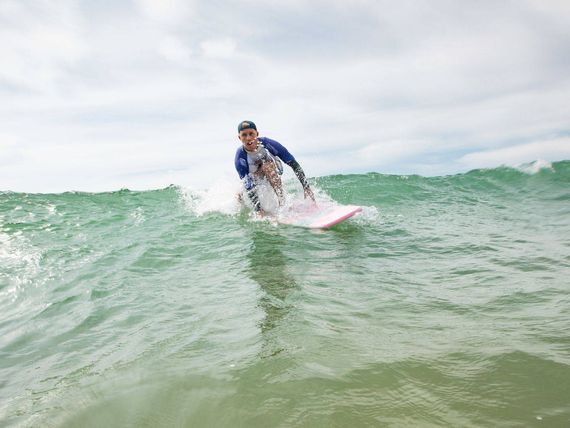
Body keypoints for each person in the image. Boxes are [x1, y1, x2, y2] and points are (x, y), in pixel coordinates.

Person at [234, 120, 315, 214]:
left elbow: (293, 163)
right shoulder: (240, 157)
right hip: (254, 178)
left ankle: (282, 202)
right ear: (239, 137)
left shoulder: (267, 144)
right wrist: (259, 210)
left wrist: (306, 188)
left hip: (270, 171)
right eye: (244, 135)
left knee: (267, 167)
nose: (248, 138)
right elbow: (248, 184)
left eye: (251, 133)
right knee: (239, 196)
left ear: (257, 134)